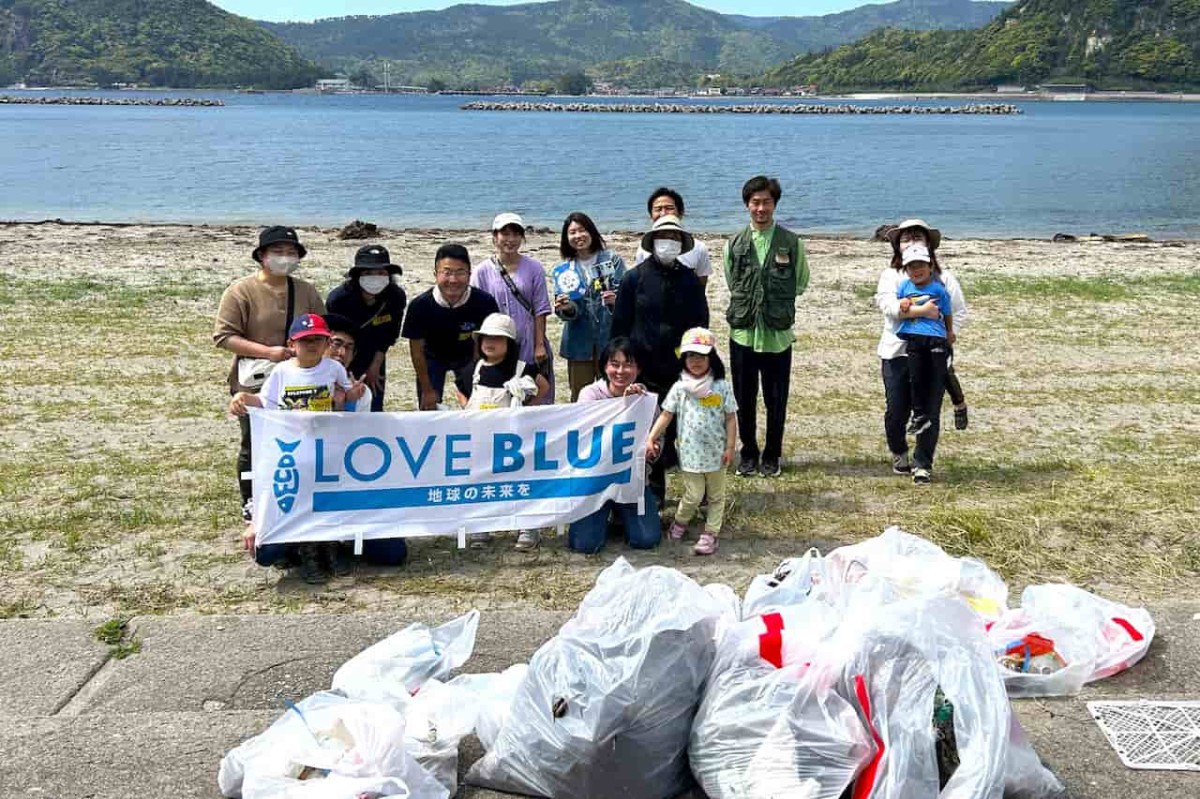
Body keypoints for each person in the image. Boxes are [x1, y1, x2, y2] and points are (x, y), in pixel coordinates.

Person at [228, 313, 364, 583]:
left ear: (326, 342)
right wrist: (243, 397)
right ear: (292, 343)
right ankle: (309, 553)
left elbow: (347, 395)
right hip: (292, 448)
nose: (312, 345)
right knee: (300, 501)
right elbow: (264, 402)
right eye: (305, 341)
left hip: (325, 447)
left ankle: (329, 548)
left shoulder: (333, 369)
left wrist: (352, 395)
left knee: (324, 500)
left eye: (318, 340)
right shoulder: (282, 371)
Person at [213, 226, 324, 535]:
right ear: (262, 256)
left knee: (299, 444)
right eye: (278, 252)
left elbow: (321, 330)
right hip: (255, 381)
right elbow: (223, 336)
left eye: (291, 253)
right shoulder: (240, 291)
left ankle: (294, 503)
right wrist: (268, 352)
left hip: (301, 381)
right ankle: (251, 508)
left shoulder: (307, 291)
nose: (284, 258)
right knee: (254, 444)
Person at [611, 214, 709, 505]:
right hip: (644, 370)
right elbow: (620, 327)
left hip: (681, 370)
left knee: (689, 431)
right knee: (647, 434)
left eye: (675, 238)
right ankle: (652, 495)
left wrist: (697, 365)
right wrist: (622, 368)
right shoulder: (634, 277)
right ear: (653, 242)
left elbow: (701, 324)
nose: (669, 243)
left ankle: (698, 496)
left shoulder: (689, 279)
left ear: (682, 244)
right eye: (663, 238)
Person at [724, 175, 809, 479]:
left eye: (767, 202)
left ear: (775, 204)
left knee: (776, 399)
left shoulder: (791, 242)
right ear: (747, 205)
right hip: (743, 334)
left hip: (777, 336)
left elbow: (800, 282)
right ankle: (748, 453)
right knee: (743, 398)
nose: (761, 208)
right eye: (755, 202)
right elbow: (732, 281)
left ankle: (772, 454)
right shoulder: (734, 243)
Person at [875, 219, 969, 483]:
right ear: (897, 246)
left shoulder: (944, 279)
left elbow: (958, 312)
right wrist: (923, 312)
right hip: (897, 353)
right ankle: (899, 452)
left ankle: (923, 463)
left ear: (928, 245)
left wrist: (946, 334)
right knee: (896, 410)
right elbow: (890, 308)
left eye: (918, 237)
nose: (912, 242)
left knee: (929, 409)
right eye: (906, 238)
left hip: (933, 355)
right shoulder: (891, 276)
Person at [319, 312, 413, 567]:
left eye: (348, 348)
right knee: (269, 552)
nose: (341, 352)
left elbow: (356, 443)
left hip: (348, 483)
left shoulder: (362, 394)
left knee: (393, 553)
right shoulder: (295, 380)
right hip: (310, 481)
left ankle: (343, 540)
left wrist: (344, 404)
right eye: (336, 343)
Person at [454, 313, 549, 551]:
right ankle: (482, 527)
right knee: (482, 480)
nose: (490, 342)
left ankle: (528, 527)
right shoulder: (473, 370)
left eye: (498, 338)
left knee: (519, 481)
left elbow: (544, 387)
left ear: (509, 343)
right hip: (481, 440)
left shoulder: (522, 369)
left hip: (513, 441)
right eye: (486, 337)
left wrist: (526, 409)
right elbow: (460, 390)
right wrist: (467, 408)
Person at [645, 328, 737, 556]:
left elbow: (731, 417)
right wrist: (651, 437)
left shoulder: (722, 387)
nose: (696, 361)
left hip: (717, 456)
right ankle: (680, 521)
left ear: (711, 359)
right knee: (693, 495)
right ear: (683, 359)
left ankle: (710, 533)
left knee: (716, 496)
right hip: (690, 456)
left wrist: (730, 447)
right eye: (691, 356)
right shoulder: (679, 389)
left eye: (702, 356)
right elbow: (666, 414)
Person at [568, 337, 662, 553]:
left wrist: (652, 451)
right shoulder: (589, 394)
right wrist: (623, 406)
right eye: (615, 364)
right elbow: (586, 439)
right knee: (585, 545)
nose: (621, 371)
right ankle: (597, 516)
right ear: (604, 366)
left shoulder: (646, 400)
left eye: (628, 364)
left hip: (632, 481)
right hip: (595, 481)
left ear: (638, 368)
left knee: (647, 539)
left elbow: (656, 441)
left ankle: (621, 513)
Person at [401, 243, 500, 410]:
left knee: (481, 404)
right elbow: (416, 351)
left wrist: (482, 377)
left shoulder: (484, 302)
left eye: (460, 272)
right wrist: (426, 388)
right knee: (429, 407)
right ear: (435, 274)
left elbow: (490, 340)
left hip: (469, 356)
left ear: (469, 274)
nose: (453, 280)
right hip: (432, 357)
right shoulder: (420, 306)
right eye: (446, 273)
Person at [471, 213, 555, 403]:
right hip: (497, 341)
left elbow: (540, 308)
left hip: (528, 340)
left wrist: (539, 344)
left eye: (516, 234)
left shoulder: (534, 268)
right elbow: (478, 312)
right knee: (500, 393)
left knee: (533, 389)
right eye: (505, 234)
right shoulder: (482, 271)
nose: (510, 240)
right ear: (495, 237)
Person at [552, 212, 627, 400]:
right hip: (578, 343)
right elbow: (567, 312)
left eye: (582, 230)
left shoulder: (611, 259)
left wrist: (616, 302)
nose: (578, 236)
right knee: (580, 395)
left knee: (614, 392)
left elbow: (625, 295)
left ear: (591, 231)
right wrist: (567, 308)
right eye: (572, 232)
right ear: (566, 238)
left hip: (609, 338)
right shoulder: (564, 271)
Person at [325, 244, 407, 412]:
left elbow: (390, 334)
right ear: (356, 276)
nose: (375, 277)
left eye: (381, 273)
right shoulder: (339, 299)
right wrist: (340, 370)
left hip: (375, 353)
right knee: (339, 402)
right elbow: (332, 338)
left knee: (374, 402)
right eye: (368, 273)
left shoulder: (395, 296)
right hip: (343, 353)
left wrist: (376, 364)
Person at [633, 187, 713, 288]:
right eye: (658, 209)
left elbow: (701, 286)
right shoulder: (643, 249)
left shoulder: (698, 248)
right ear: (651, 214)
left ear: (681, 212)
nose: (663, 213)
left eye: (669, 208)